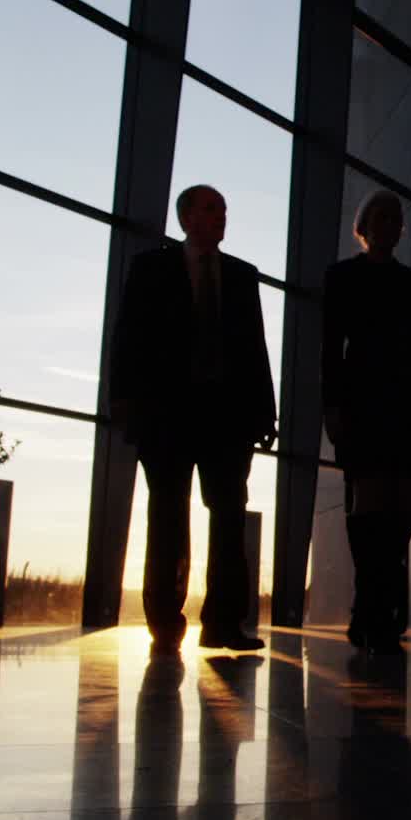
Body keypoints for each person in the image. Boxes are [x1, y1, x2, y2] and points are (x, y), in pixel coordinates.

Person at [110, 185, 278, 657]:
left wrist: (265, 412)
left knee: (228, 518)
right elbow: (128, 336)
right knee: (167, 516)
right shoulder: (151, 267)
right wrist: (123, 399)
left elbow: (255, 349)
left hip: (227, 417)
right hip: (166, 415)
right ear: (186, 218)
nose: (222, 215)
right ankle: (164, 622)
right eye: (211, 208)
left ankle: (224, 624)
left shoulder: (243, 276)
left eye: (224, 209)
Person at [321, 189, 411, 655]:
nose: (390, 224)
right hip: (363, 412)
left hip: (403, 411)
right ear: (364, 224)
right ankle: (373, 612)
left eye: (396, 218)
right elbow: (329, 351)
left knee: (403, 513)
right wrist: (333, 409)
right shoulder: (341, 278)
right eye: (381, 216)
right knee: (369, 514)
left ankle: (379, 607)